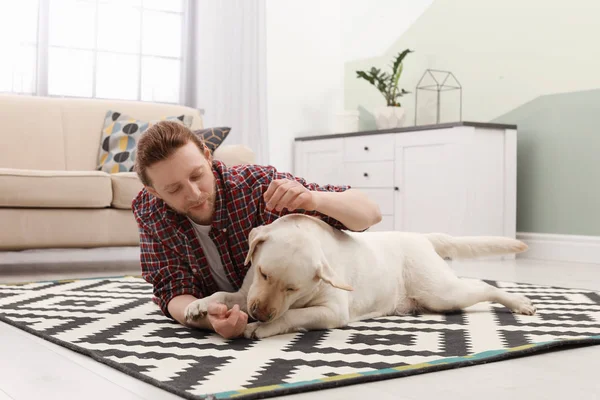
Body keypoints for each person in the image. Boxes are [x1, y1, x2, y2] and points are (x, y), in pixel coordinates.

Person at [131, 121, 382, 339]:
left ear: (208, 157)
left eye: (197, 175)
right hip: (223, 303)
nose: (194, 194)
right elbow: (171, 289)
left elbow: (369, 214)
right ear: (154, 192)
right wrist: (208, 321)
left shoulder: (258, 188)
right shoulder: (150, 211)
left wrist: (313, 199)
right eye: (174, 190)